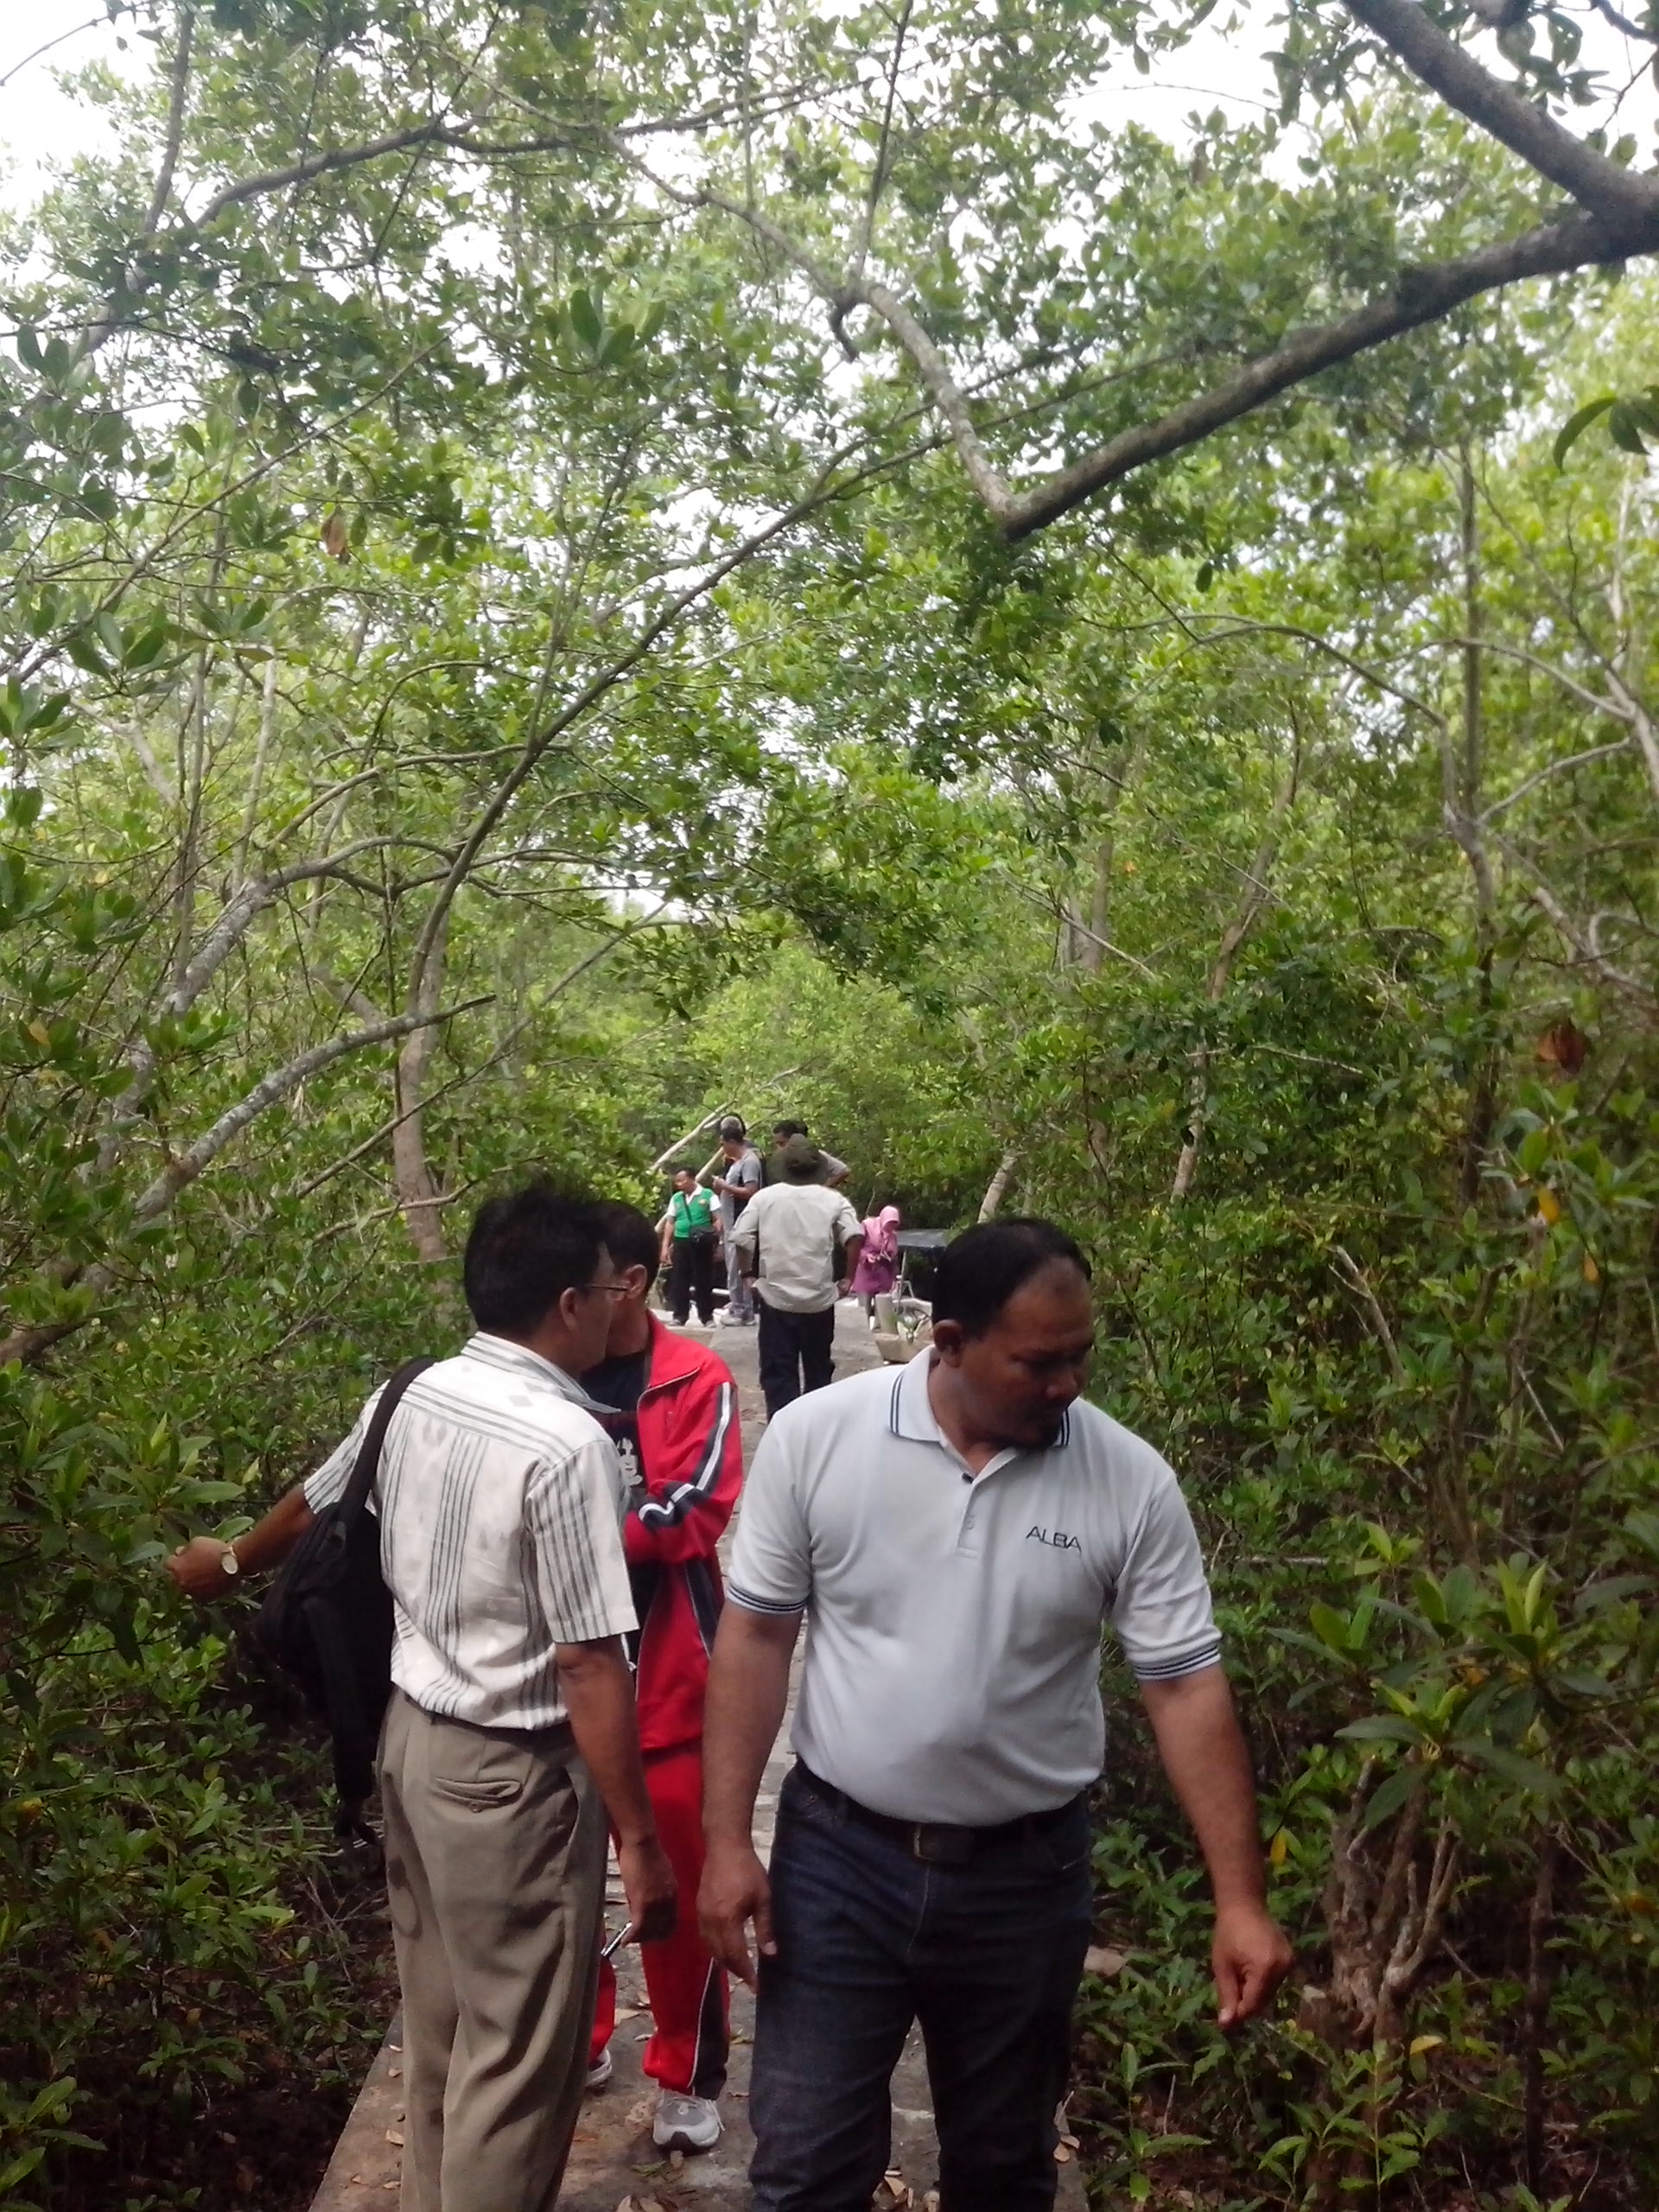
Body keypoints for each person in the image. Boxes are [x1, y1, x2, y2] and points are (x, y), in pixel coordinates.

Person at [697, 1217, 1294, 2212]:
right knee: (804, 2170)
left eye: (1080, 1357)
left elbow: (1185, 1684)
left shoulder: (1128, 1479)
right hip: (841, 1863)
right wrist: (726, 1841)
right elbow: (756, 1639)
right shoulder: (820, 1438)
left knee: (1006, 2169)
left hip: (1025, 1880)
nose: (1067, 1385)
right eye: (1038, 1362)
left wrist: (1240, 1896)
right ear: (951, 1340)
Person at [167, 1185, 677, 2212]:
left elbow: (318, 1500)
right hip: (511, 1779)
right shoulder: (566, 1444)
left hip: (412, 1746)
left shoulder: (412, 1390)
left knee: (445, 2033)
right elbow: (586, 1661)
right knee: (518, 2065)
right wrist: (640, 1839)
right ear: (572, 1304)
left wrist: (224, 1562)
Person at [582, 1200, 743, 2154]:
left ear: (632, 1282)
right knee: (562, 1880)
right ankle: (584, 2033)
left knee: (683, 1886)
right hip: (559, 1682)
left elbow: (693, 1511)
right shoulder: (542, 1374)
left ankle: (686, 2067)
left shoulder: (695, 1376)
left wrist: (571, 1526)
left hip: (674, 1671)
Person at [729, 1135, 862, 1420]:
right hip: (818, 1300)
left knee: (779, 1372)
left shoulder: (764, 1198)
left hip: (776, 1298)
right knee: (818, 1370)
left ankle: (782, 1429)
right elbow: (854, 1236)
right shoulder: (833, 1199)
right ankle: (814, 1430)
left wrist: (748, 1276)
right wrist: (847, 1280)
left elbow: (741, 1238)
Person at [710, 1115, 763, 1326]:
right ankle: (737, 1305)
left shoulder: (750, 1161)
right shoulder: (736, 1162)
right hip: (731, 1223)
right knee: (732, 1269)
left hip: (742, 1223)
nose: (722, 1148)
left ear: (732, 1141)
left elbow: (751, 1191)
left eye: (723, 1144)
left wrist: (725, 1186)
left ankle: (745, 1311)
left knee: (739, 1269)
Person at [661, 1166, 719, 1327]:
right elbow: (670, 1222)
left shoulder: (708, 1195)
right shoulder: (677, 1198)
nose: (678, 1184)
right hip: (681, 1241)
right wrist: (665, 1245)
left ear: (692, 1179)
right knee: (680, 1279)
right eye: (677, 1181)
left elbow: (718, 1219)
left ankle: (706, 1316)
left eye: (682, 1180)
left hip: (701, 1242)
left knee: (704, 1280)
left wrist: (717, 1240)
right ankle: (680, 1315)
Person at [849, 1204, 901, 1317]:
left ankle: (879, 1332)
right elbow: (856, 1246)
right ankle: (864, 1332)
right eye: (890, 1222)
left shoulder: (893, 1236)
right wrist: (866, 1256)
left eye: (894, 1223)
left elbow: (894, 1259)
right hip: (866, 1273)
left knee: (882, 1312)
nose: (891, 1226)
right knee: (864, 1311)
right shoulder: (867, 1226)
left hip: (883, 1276)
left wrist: (894, 1278)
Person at [766, 1120, 850, 1188]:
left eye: (782, 1144)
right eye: (776, 1144)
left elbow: (843, 1170)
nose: (778, 1148)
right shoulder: (778, 1159)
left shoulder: (816, 1156)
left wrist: (824, 1188)